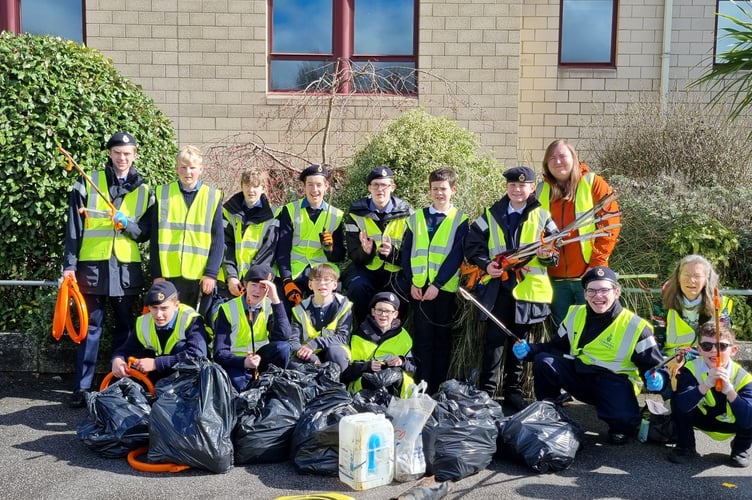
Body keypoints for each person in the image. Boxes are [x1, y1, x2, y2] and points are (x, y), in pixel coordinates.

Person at [512, 266, 664, 444]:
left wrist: (659, 380)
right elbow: (556, 347)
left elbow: (654, 367)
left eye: (604, 290)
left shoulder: (637, 327)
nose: (597, 296)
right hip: (580, 375)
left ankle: (620, 426)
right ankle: (549, 412)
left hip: (613, 383)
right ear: (584, 294)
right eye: (591, 290)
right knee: (544, 361)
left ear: (617, 292)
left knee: (624, 423)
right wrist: (531, 350)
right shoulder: (575, 314)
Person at [62, 132, 153, 408]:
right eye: (117, 152)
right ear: (110, 154)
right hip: (93, 269)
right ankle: (82, 388)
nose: (122, 158)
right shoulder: (87, 182)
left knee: (125, 330)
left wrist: (127, 224)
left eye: (127, 153)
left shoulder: (144, 190)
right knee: (90, 330)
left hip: (126, 271)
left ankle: (119, 385)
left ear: (134, 155)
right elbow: (73, 229)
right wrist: (69, 266)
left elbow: (146, 232)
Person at [464, 166, 558, 410]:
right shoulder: (491, 214)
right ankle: (487, 391)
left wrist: (547, 255)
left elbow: (555, 253)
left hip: (528, 289)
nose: (517, 189)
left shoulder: (543, 216)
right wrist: (486, 265)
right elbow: (473, 245)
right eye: (513, 185)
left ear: (531, 188)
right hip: (498, 286)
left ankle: (513, 391)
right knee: (494, 339)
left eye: (522, 185)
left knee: (520, 340)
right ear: (506, 187)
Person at [537, 139, 620, 327]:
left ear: (573, 158)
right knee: (564, 331)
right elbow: (534, 230)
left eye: (562, 156)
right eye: (552, 158)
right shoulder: (541, 190)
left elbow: (611, 225)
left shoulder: (593, 183)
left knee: (593, 329)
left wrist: (597, 263)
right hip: (555, 278)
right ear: (546, 165)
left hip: (589, 277)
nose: (558, 162)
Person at [399, 167, 468, 394]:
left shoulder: (460, 220)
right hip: (419, 289)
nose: (439, 193)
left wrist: (437, 285)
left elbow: (455, 256)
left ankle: (438, 387)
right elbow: (406, 252)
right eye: (435, 189)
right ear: (430, 190)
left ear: (453, 190)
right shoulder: (416, 218)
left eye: (444, 189)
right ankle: (422, 384)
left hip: (443, 290)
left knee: (441, 340)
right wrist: (412, 281)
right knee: (422, 339)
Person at [150, 145, 223, 318]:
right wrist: (157, 274)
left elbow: (218, 240)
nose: (187, 172)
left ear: (201, 169)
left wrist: (211, 273)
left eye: (192, 168)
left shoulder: (212, 196)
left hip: (200, 276)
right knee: (170, 320)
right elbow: (154, 239)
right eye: (183, 167)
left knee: (197, 323)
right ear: (176, 169)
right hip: (169, 275)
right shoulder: (163, 193)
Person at [668, 322, 752, 467]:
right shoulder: (690, 368)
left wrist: (730, 391)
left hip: (731, 423)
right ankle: (685, 447)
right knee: (677, 400)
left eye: (722, 346)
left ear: (733, 350)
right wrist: (706, 384)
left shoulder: (743, 377)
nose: (714, 351)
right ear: (699, 350)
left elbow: (748, 419)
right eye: (707, 346)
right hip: (702, 418)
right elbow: (682, 404)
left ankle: (740, 449)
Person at [343, 166, 412, 324]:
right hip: (366, 269)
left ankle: (394, 334)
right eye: (375, 185)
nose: (380, 189)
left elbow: (410, 256)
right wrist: (366, 251)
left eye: (384, 185)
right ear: (369, 187)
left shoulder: (408, 214)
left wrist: (392, 254)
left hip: (395, 271)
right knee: (357, 286)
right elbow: (353, 255)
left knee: (403, 288)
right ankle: (364, 330)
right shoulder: (356, 214)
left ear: (392, 187)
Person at [275, 164, 346, 309]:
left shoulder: (336, 215)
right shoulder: (290, 210)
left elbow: (339, 256)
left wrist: (330, 249)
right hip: (294, 271)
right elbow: (282, 250)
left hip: (322, 272)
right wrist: (287, 280)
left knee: (331, 303)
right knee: (282, 304)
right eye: (310, 185)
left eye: (319, 185)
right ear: (303, 186)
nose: (315, 190)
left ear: (326, 186)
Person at [213, 264, 292, 392]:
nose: (257, 291)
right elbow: (219, 353)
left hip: (260, 359)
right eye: (253, 285)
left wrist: (276, 300)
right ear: (245, 285)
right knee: (240, 388)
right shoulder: (227, 309)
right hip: (236, 361)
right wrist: (244, 362)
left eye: (263, 287)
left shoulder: (270, 306)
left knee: (283, 348)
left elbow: (284, 337)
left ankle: (273, 382)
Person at [110, 281, 208, 383]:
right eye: (154, 308)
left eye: (164, 308)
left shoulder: (191, 319)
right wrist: (117, 360)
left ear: (176, 305)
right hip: (157, 376)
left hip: (185, 381)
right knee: (137, 357)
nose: (158, 314)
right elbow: (125, 350)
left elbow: (198, 356)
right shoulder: (143, 322)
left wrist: (156, 363)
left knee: (181, 347)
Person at [652, 254, 733, 354]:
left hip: (706, 362)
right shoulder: (662, 304)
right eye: (687, 275)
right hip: (671, 363)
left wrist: (686, 356)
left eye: (697, 276)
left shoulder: (720, 304)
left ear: (706, 280)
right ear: (678, 277)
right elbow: (657, 343)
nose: (691, 280)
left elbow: (723, 344)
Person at [341, 291, 417, 397]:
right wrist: (366, 366)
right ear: (373, 311)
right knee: (373, 380)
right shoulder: (358, 336)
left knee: (394, 376)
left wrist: (401, 361)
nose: (383, 315)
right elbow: (347, 373)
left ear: (395, 314)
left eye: (388, 311)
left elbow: (413, 367)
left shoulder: (404, 337)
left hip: (396, 388)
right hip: (365, 388)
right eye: (379, 310)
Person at [221, 167, 279, 299]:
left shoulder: (275, 215)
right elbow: (225, 247)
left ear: (263, 188)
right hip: (232, 283)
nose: (250, 190)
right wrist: (231, 277)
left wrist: (252, 280)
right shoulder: (227, 212)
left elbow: (268, 252)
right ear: (241, 186)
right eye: (247, 185)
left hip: (259, 282)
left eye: (255, 186)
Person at [289, 263, 353, 372]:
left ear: (334, 285)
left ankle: (339, 386)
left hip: (333, 350)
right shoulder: (299, 309)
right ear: (310, 285)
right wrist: (311, 358)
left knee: (337, 354)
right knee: (293, 364)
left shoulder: (345, 306)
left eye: (327, 280)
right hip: (310, 354)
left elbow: (343, 337)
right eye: (317, 280)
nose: (322, 284)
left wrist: (314, 343)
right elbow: (293, 340)